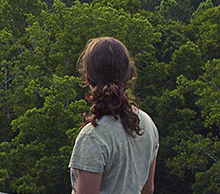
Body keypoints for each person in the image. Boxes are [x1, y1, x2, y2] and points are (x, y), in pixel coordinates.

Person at [68, 37, 159, 194]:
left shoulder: (93, 137)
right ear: (129, 74)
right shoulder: (146, 123)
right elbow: (148, 190)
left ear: (88, 78)